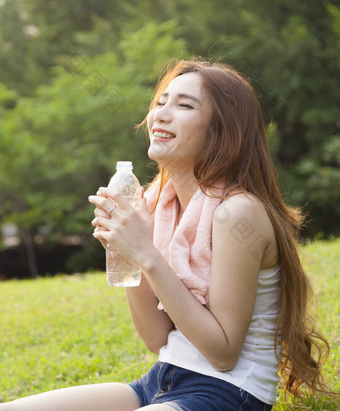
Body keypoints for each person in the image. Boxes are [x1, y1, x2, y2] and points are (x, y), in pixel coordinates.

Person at [1, 59, 331, 411]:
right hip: (159, 381)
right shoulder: (160, 202)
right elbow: (157, 338)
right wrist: (126, 255)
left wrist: (146, 253)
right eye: (161, 102)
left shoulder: (237, 213)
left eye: (184, 105)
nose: (161, 113)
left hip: (227, 393)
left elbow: (223, 353)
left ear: (222, 130)